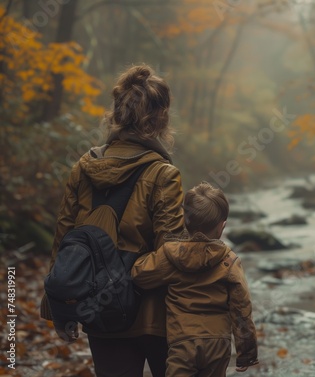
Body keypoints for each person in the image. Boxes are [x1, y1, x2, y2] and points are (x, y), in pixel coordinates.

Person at [40, 64, 184, 377]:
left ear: (117, 113)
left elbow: (65, 238)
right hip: (157, 317)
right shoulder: (164, 174)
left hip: (102, 312)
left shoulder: (82, 167)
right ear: (160, 118)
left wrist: (57, 307)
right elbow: (171, 253)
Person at [131, 182, 259, 376]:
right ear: (222, 226)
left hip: (182, 342)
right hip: (218, 343)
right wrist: (246, 353)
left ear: (185, 220)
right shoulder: (230, 261)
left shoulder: (170, 255)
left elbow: (139, 275)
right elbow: (242, 309)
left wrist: (141, 254)